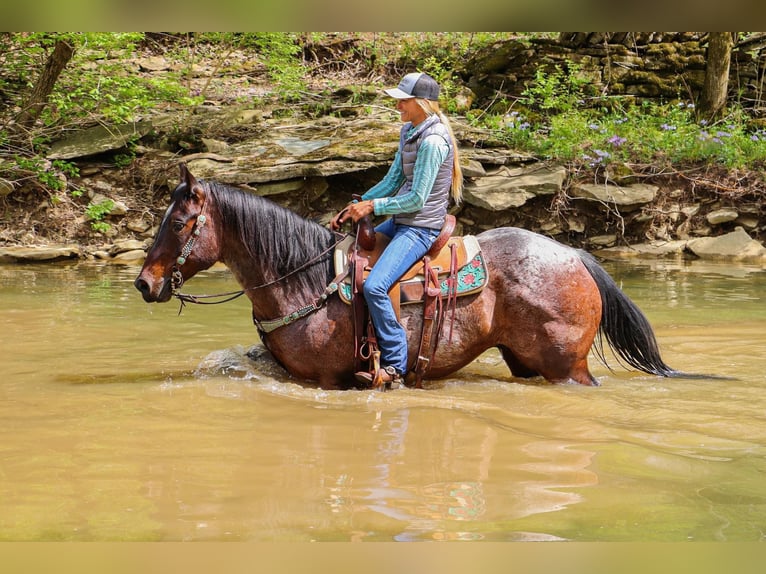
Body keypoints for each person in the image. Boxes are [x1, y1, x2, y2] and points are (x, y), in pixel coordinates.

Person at [335, 71, 463, 387]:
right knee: (352, 259)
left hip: (420, 227)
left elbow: (416, 198)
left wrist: (374, 208)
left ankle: (395, 365)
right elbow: (393, 181)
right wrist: (357, 204)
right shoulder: (409, 131)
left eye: (403, 101)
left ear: (421, 103)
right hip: (401, 221)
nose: (398, 106)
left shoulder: (433, 142)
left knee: (377, 285)